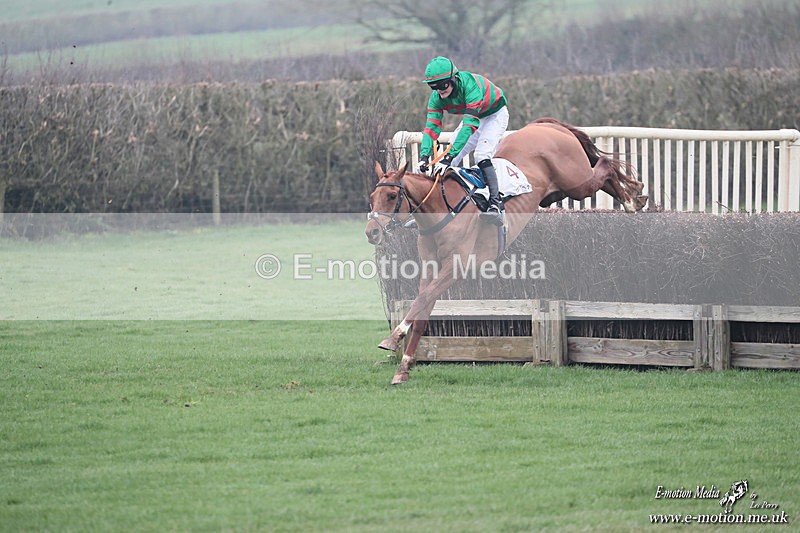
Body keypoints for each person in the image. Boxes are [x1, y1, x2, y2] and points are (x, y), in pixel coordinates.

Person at [416, 56, 509, 225]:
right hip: (475, 118)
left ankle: (496, 205)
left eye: (443, 85)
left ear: (454, 79)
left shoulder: (470, 86)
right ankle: (438, 209)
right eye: (433, 87)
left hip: (494, 115)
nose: (439, 91)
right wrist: (424, 156)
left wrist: (448, 156)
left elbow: (469, 125)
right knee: (448, 162)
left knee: (481, 155)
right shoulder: (436, 97)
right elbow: (431, 128)